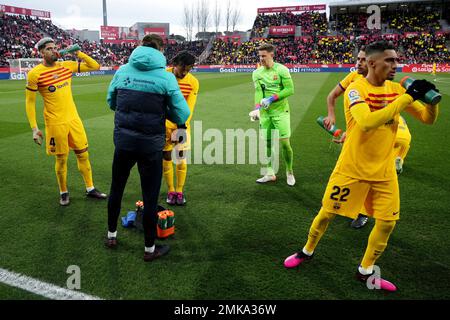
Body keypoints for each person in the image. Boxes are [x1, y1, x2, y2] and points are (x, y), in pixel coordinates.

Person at [283, 41, 439, 291]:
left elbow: (427, 119)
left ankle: (365, 270)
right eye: (389, 60)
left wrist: (431, 101)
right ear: (372, 63)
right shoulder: (357, 89)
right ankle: (307, 251)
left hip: (384, 171)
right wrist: (407, 97)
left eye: (396, 60)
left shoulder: (396, 89)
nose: (395, 65)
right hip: (352, 168)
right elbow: (367, 122)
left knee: (387, 223)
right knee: (327, 213)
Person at [105, 34, 190, 262]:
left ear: (140, 47)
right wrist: (164, 112)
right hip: (151, 145)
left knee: (117, 188)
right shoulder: (166, 77)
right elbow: (182, 114)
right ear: (160, 49)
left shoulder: (122, 71)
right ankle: (150, 249)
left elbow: (111, 102)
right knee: (150, 197)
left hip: (123, 142)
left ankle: (111, 235)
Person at [25, 37, 107, 206]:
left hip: (74, 119)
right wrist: (34, 128)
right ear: (41, 52)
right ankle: (63, 192)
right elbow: (30, 102)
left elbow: (95, 66)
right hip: (55, 123)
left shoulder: (66, 65)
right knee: (61, 159)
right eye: (49, 48)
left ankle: (90, 188)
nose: (54, 50)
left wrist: (78, 53)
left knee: (83, 154)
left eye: (55, 47)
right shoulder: (35, 74)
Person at [324, 47, 369, 228]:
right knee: (347, 172)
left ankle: (363, 212)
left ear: (373, 62)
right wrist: (331, 115)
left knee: (365, 176)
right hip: (352, 137)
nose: (358, 62)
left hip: (369, 140)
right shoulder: (352, 77)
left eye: (363, 60)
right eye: (358, 59)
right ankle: (347, 206)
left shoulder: (381, 86)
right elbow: (332, 95)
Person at [249, 43, 296, 186]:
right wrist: (257, 108)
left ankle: (289, 172)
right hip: (265, 114)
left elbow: (290, 89)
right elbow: (258, 92)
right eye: (259, 56)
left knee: (285, 144)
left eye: (264, 56)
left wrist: (271, 98)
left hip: (281, 112)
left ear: (271, 55)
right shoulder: (257, 73)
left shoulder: (282, 70)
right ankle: (270, 173)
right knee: (267, 143)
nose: (261, 59)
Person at [163, 51, 199, 206]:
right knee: (166, 159)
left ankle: (179, 191)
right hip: (163, 126)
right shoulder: (163, 76)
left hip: (182, 126)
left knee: (181, 160)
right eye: (182, 68)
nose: (184, 72)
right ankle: (171, 190)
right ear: (174, 63)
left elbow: (189, 107)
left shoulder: (193, 82)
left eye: (188, 69)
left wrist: (181, 126)